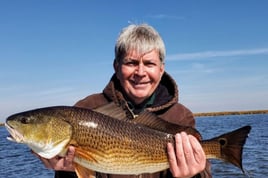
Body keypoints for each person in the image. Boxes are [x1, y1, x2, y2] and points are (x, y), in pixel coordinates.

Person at [37, 23, 211, 178]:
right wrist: (66, 173)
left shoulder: (180, 116)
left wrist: (192, 176)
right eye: (131, 63)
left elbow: (204, 173)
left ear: (161, 69)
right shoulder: (87, 108)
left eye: (149, 64)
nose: (140, 72)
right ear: (116, 67)